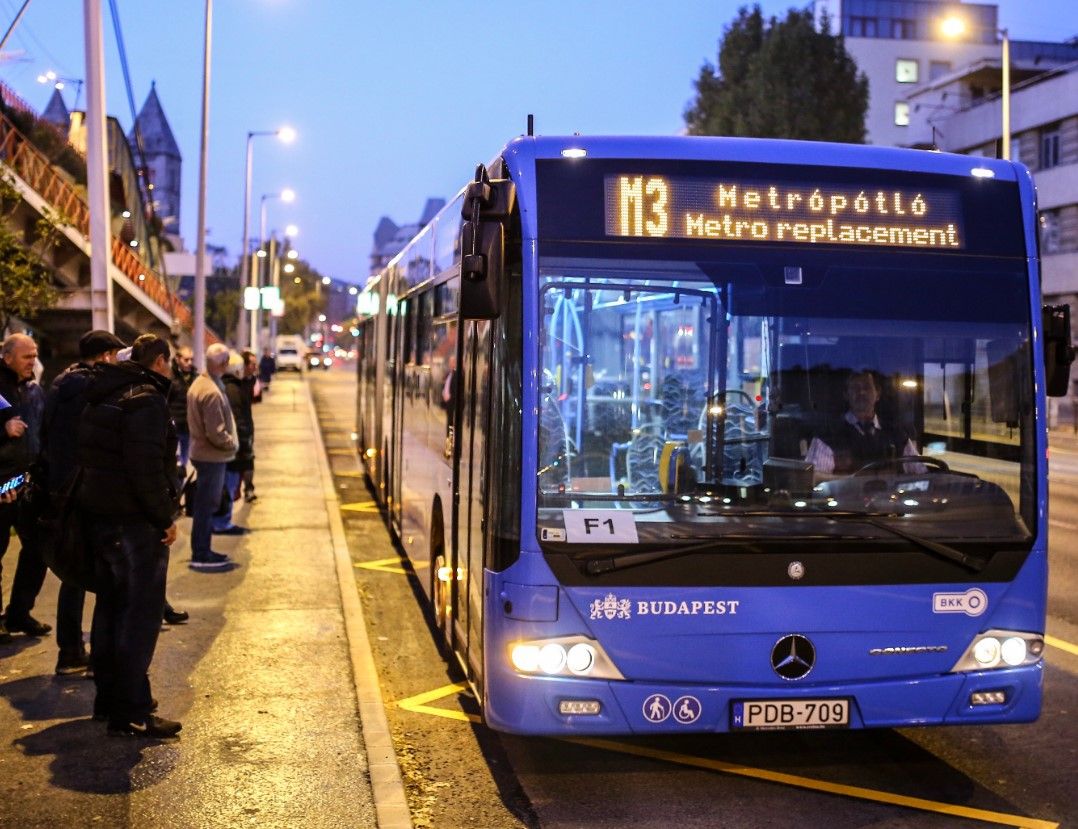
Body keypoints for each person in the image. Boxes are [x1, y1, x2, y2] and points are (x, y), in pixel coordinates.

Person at [77, 333, 181, 737]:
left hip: (100, 518)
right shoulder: (146, 401)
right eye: (170, 363)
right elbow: (146, 471)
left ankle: (108, 703)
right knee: (138, 621)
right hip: (135, 525)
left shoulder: (103, 393)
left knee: (110, 611)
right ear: (160, 361)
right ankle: (134, 710)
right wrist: (164, 518)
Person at [41, 329, 125, 675]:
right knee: (98, 571)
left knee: (74, 573)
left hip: (60, 487)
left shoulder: (61, 383)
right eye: (114, 356)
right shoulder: (90, 388)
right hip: (83, 488)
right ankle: (87, 654)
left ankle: (71, 649)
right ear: (104, 356)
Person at [0, 333, 51, 641]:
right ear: (7, 357)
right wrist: (3, 429)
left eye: (34, 355)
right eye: (26, 356)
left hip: (27, 482)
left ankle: (19, 613)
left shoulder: (33, 390)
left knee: (38, 548)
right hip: (2, 483)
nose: (33, 361)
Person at [804, 370, 922, 475]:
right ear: (846, 395)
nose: (861, 392)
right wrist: (855, 480)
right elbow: (814, 478)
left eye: (867, 387)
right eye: (855, 388)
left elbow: (921, 474)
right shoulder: (827, 435)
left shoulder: (897, 434)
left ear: (878, 394)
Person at [187, 343, 240, 569]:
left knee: (204, 506)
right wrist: (232, 445)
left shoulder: (201, 383)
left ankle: (203, 549)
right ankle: (202, 552)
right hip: (211, 457)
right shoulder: (211, 391)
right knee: (207, 506)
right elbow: (216, 433)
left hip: (203, 453)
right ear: (223, 363)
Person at [214, 353, 253, 536]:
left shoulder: (227, 386)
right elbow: (238, 420)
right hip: (234, 447)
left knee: (228, 484)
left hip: (230, 446)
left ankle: (222, 521)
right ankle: (222, 523)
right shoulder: (233, 390)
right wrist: (244, 444)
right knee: (229, 485)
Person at [168, 346, 197, 475]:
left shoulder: (195, 376)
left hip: (189, 426)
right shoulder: (170, 376)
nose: (189, 363)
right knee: (176, 461)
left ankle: (181, 480)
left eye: (191, 359)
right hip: (174, 426)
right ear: (177, 359)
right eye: (186, 360)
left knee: (185, 461)